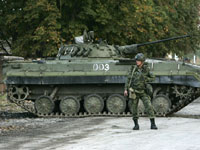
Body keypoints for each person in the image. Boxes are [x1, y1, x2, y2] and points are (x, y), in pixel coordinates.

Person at [124, 53, 158, 130]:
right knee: (134, 109)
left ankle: (153, 124)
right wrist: (126, 89)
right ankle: (136, 125)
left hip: (143, 91)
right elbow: (128, 79)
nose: (137, 62)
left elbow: (153, 77)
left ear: (142, 61)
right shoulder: (133, 69)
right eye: (136, 60)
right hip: (134, 92)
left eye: (138, 60)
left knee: (149, 106)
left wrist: (146, 79)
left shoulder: (146, 69)